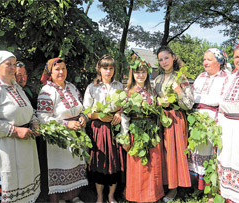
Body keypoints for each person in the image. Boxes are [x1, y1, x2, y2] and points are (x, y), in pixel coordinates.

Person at [0, 50, 40, 202]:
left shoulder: (16, 86)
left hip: (25, 144)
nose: (13, 68)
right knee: (10, 186)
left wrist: (34, 122)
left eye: (14, 64)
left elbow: (28, 110)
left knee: (25, 184)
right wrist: (15, 131)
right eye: (9, 64)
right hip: (4, 146)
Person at [36, 58, 88, 203]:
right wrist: (66, 124)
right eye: (57, 69)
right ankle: (59, 198)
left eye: (64, 68)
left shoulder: (72, 87)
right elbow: (42, 117)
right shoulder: (47, 91)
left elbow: (82, 108)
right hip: (59, 138)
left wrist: (83, 117)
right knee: (62, 166)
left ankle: (73, 196)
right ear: (50, 72)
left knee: (75, 163)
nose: (61, 72)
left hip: (76, 135)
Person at [154, 46, 194, 202]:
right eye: (161, 59)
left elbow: (189, 104)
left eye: (166, 58)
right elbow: (152, 100)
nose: (164, 62)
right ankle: (165, 183)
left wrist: (178, 91)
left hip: (175, 119)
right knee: (161, 153)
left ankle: (174, 189)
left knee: (172, 153)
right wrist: (158, 101)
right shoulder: (157, 79)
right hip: (161, 119)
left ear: (172, 57)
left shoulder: (180, 78)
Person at [122, 58, 165, 202]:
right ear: (132, 74)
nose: (140, 75)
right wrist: (125, 136)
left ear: (147, 73)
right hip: (136, 132)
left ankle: (152, 195)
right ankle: (137, 195)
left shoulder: (151, 91)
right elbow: (124, 116)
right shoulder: (128, 92)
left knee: (152, 165)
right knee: (138, 165)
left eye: (143, 72)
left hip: (151, 132)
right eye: (137, 72)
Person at [83, 55, 125, 203]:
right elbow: (86, 111)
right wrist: (98, 116)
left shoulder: (119, 86)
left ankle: (111, 195)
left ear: (114, 70)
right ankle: (100, 195)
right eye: (105, 68)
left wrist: (119, 113)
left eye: (110, 68)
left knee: (114, 161)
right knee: (99, 161)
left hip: (114, 127)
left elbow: (124, 106)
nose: (108, 71)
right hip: (99, 128)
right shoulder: (92, 87)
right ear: (99, 69)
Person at [188, 48, 231, 192]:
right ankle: (195, 186)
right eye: (204, 59)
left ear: (219, 61)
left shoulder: (226, 77)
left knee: (210, 150)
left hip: (213, 118)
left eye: (209, 59)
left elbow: (226, 102)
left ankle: (210, 188)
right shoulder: (200, 76)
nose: (205, 62)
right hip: (196, 117)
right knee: (195, 149)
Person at [217, 42, 239, 203]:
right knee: (227, 163)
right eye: (237, 57)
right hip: (227, 130)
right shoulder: (229, 78)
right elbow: (221, 107)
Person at [15, 61, 49, 202]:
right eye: (18, 75)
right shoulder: (11, 92)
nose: (22, 78)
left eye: (24, 75)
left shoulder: (30, 90)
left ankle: (38, 192)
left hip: (34, 133)